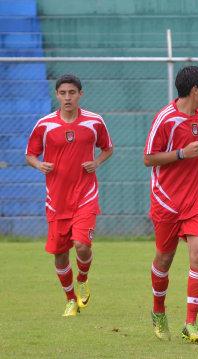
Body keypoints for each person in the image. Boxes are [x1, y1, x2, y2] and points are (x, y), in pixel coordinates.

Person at [143, 65, 198, 343]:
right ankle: (158, 311)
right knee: (164, 258)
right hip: (166, 201)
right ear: (194, 90)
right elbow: (149, 158)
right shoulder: (164, 118)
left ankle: (191, 322)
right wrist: (180, 153)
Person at [25, 74, 114, 316]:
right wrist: (38, 165)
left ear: (80, 94)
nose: (67, 97)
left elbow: (108, 148)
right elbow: (30, 154)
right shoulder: (45, 125)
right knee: (60, 253)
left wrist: (96, 162)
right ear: (57, 95)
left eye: (72, 93)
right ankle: (71, 300)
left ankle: (82, 278)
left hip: (85, 195)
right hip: (56, 200)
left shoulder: (94, 122)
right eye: (63, 93)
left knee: (82, 245)